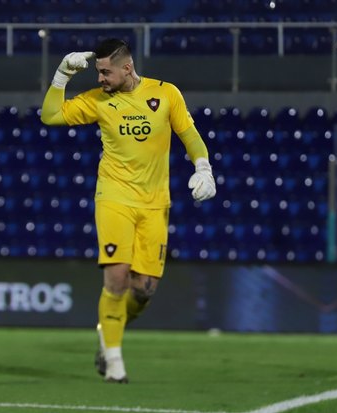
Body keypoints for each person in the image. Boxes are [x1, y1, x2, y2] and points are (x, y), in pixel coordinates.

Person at [41, 38, 216, 383]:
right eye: (98, 72)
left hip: (154, 203)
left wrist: (204, 168)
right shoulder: (98, 101)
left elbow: (189, 134)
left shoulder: (166, 94)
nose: (100, 78)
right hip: (114, 198)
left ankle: (109, 329)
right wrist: (62, 74)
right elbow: (50, 116)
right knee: (117, 276)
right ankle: (114, 362)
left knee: (143, 289)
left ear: (127, 68)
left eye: (106, 72)